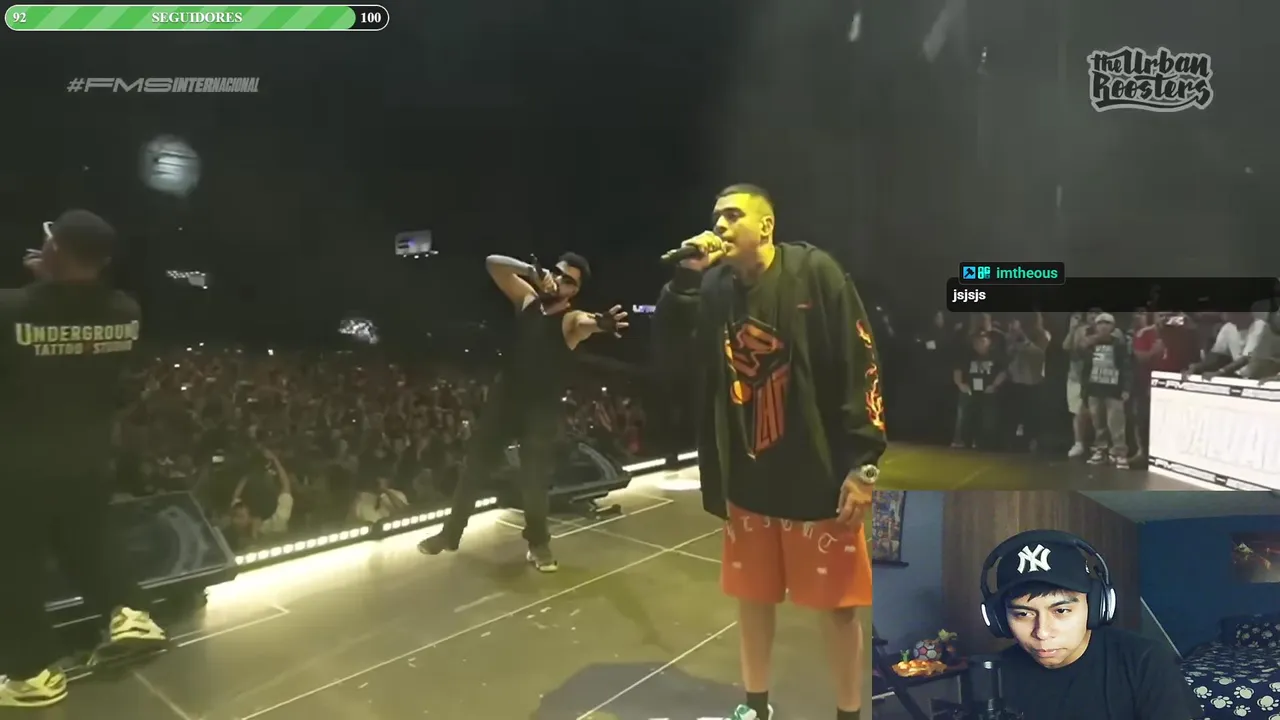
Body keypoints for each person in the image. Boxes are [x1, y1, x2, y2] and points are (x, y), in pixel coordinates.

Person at [653, 184, 883, 720]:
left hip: (817, 478)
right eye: (716, 216)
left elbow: (861, 363)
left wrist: (864, 465)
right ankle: (755, 707)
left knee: (837, 609)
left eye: (733, 215)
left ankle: (848, 713)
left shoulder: (815, 272)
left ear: (766, 226)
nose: (720, 225)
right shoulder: (713, 286)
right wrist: (684, 280)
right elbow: (671, 349)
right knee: (753, 599)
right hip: (748, 479)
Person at [0, 211, 167, 708]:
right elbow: (67, 317)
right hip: (90, 456)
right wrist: (49, 285)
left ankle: (33, 675)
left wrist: (41, 286)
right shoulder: (126, 310)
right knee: (86, 541)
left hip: (19, 464)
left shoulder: (9, 308)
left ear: (52, 251)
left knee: (15, 567)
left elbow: (34, 325)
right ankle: (131, 613)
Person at [418, 251, 627, 571]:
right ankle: (450, 534)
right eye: (557, 272)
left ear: (574, 291)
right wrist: (530, 270)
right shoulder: (529, 300)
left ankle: (538, 544)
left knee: (534, 479)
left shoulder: (571, 319)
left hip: (539, 408)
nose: (559, 280)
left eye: (568, 280)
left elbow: (586, 322)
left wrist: (601, 323)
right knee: (474, 468)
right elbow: (492, 263)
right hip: (505, 398)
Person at [979, 530, 1200, 720]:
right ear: (999, 619)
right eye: (1023, 614)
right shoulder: (991, 676)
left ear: (1096, 607)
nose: (1042, 632)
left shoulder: (1145, 661)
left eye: (1061, 611)